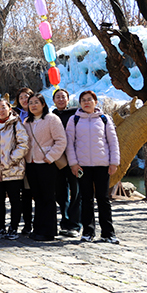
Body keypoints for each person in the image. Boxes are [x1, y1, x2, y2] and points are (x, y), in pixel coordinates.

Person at [65, 91, 120, 244]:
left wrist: (114, 162)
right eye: (83, 100)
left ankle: (108, 233)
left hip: (102, 165)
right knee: (86, 198)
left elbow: (113, 142)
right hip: (82, 167)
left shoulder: (104, 119)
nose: (86, 102)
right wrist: (73, 163)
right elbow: (70, 144)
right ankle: (88, 232)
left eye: (89, 99)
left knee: (103, 198)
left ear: (95, 102)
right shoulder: (74, 119)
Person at [24, 94, 67, 242]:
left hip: (47, 163)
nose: (33, 105)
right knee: (37, 197)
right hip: (31, 164)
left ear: (43, 104)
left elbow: (61, 140)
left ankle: (48, 231)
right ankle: (38, 229)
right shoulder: (26, 122)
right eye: (30, 103)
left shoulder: (52, 119)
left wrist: (50, 157)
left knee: (48, 197)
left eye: (36, 102)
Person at [0, 99, 29, 240]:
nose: (1, 110)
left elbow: (23, 143)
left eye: (3, 107)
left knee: (15, 201)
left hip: (13, 170)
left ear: (10, 108)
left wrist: (11, 159)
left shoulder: (16, 124)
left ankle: (14, 227)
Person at [52, 88, 80, 237]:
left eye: (63, 97)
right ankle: (65, 220)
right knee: (60, 192)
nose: (61, 99)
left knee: (76, 191)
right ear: (53, 101)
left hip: (75, 158)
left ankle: (75, 224)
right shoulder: (51, 116)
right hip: (58, 159)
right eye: (58, 97)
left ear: (68, 99)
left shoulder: (76, 114)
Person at [14, 87, 35, 233]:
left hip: (34, 158)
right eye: (21, 97)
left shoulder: (39, 113)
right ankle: (27, 224)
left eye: (26, 96)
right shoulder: (14, 114)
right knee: (23, 193)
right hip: (17, 159)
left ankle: (38, 223)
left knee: (34, 192)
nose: (24, 100)